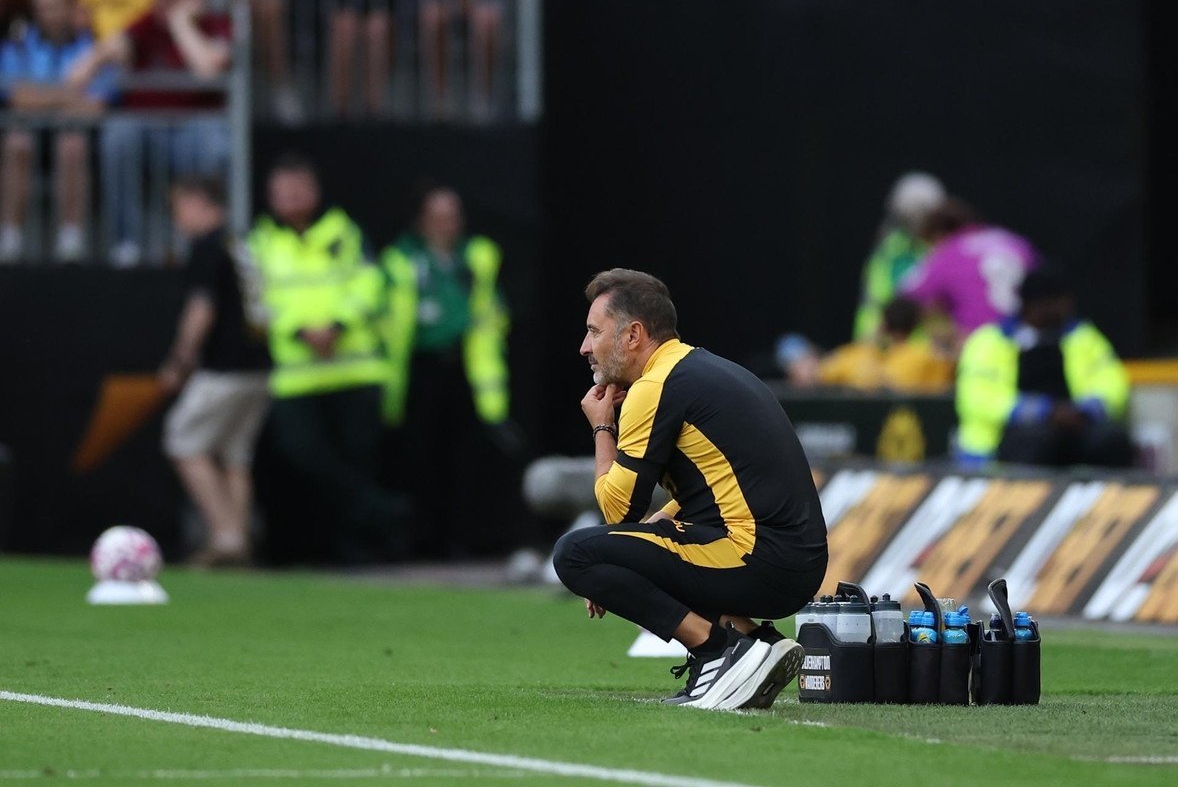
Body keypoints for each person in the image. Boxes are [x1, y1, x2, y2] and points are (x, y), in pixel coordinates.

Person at [553, 269, 828, 710]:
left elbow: (618, 510)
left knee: (574, 553)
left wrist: (602, 426)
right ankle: (751, 639)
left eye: (593, 331)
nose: (585, 347)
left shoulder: (655, 386)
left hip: (759, 558)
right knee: (617, 545)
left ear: (633, 335)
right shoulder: (706, 370)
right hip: (791, 561)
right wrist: (625, 548)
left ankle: (717, 650)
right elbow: (722, 486)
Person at [249, 153, 405, 564]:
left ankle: (358, 550)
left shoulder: (344, 232)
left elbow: (370, 282)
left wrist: (336, 323)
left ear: (315, 191)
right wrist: (301, 330)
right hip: (297, 377)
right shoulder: (260, 242)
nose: (291, 197)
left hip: (355, 368)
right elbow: (257, 301)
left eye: (298, 188)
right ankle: (379, 512)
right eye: (282, 191)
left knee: (359, 460)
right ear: (269, 197)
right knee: (303, 454)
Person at [381, 185, 523, 558]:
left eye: (451, 217)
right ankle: (421, 539)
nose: (445, 225)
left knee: (467, 459)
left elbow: (493, 311)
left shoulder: (477, 257)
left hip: (468, 369)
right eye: (437, 217)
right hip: (421, 369)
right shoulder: (403, 259)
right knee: (420, 459)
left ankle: (466, 539)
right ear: (422, 220)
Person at [67, 0, 231, 266]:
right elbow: (78, 71)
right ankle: (127, 243)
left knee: (212, 144)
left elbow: (207, 69)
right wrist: (101, 56)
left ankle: (197, 239)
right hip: (148, 127)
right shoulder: (145, 25)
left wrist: (181, 23)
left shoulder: (216, 24)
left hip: (194, 125)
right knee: (118, 136)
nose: (162, 0)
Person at [159, 175, 269, 566]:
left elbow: (202, 307)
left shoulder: (208, 245)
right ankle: (239, 542)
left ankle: (226, 536)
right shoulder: (241, 242)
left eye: (178, 208)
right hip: (261, 367)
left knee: (182, 440)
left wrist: (180, 360)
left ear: (198, 200)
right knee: (234, 454)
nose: (177, 219)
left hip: (226, 367)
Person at [955, 267, 1133, 468]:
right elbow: (977, 398)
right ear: (1031, 305)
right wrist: (1042, 411)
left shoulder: (1083, 337)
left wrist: (1084, 410)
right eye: (1056, 303)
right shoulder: (990, 341)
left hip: (1074, 425)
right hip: (1006, 437)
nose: (1065, 308)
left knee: (1110, 440)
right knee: (1037, 440)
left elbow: (1112, 383)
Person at [0, 0, 117, 263]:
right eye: (41, 8)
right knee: (17, 143)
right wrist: (70, 94)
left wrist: (43, 97)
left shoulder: (93, 46)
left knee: (72, 144)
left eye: (54, 7)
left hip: (81, 138)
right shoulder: (18, 44)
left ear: (71, 8)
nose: (47, 15)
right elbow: (17, 99)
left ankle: (70, 238)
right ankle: (10, 236)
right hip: (30, 133)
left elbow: (96, 105)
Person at [900, 197, 1039, 350]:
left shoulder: (948, 252)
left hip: (980, 347)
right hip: (1029, 341)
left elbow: (904, 302)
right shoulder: (1015, 242)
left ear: (938, 234)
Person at [785, 298, 955, 393]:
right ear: (915, 325)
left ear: (883, 325)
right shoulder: (929, 357)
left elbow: (808, 374)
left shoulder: (856, 355)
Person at [853, 171, 945, 341]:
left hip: (930, 352)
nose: (914, 217)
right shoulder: (890, 251)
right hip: (890, 347)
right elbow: (874, 301)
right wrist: (868, 342)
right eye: (908, 211)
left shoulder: (941, 251)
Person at [327, 0, 392, 119]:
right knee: (344, 28)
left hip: (380, 4)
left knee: (377, 29)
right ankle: (341, 112)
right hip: (344, 4)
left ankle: (373, 110)